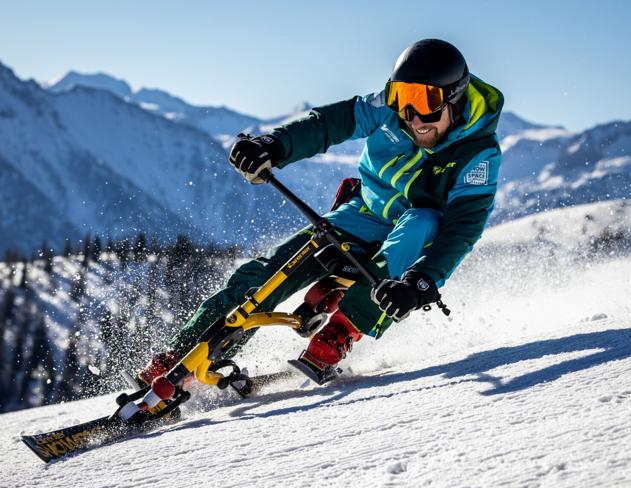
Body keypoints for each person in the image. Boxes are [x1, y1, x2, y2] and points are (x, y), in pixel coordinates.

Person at [139, 38, 504, 384]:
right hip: (362, 215)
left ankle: (341, 330)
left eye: (426, 101)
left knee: (422, 220)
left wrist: (422, 281)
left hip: (415, 235)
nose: (412, 116)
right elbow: (329, 124)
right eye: (402, 97)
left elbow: (463, 227)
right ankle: (185, 355)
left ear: (455, 98)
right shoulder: (389, 111)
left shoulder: (479, 154)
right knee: (268, 272)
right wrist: (275, 145)